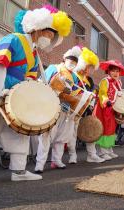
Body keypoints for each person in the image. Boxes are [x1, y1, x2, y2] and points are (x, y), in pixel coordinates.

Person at [0, 5, 72, 189]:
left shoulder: (34, 54)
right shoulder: (12, 39)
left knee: (20, 134)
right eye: (50, 34)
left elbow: (29, 80)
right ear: (38, 28)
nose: (50, 39)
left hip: (14, 101)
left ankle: (19, 171)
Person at [35, 45, 82, 173]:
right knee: (46, 134)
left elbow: (77, 91)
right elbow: (41, 82)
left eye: (75, 61)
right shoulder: (54, 68)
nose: (72, 63)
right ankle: (40, 164)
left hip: (66, 108)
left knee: (62, 135)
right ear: (64, 59)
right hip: (50, 105)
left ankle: (57, 160)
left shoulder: (76, 76)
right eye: (70, 60)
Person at [73, 47, 105, 163]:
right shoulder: (74, 77)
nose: (91, 69)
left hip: (87, 110)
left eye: (92, 67)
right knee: (71, 135)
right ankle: (71, 157)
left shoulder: (90, 81)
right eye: (89, 66)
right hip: (74, 110)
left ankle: (92, 155)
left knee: (91, 131)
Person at [93, 60, 124, 160]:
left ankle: (108, 149)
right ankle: (102, 152)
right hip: (104, 109)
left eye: (117, 71)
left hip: (113, 109)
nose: (115, 73)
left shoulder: (119, 82)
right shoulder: (105, 81)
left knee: (111, 130)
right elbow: (102, 93)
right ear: (108, 71)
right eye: (113, 71)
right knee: (104, 129)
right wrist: (106, 101)